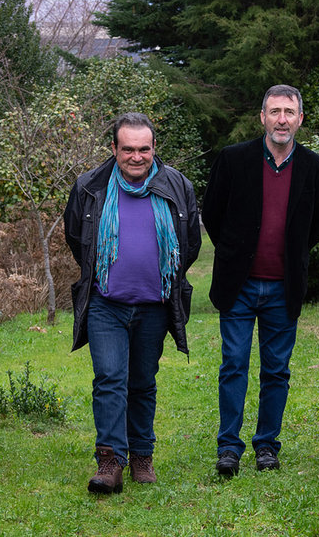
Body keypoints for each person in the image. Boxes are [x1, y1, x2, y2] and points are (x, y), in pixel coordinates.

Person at [64, 112, 201, 494]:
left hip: (154, 306)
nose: (137, 157)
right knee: (110, 378)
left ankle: (142, 455)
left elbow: (189, 243)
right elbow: (77, 237)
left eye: (144, 149)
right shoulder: (90, 185)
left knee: (142, 382)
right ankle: (110, 461)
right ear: (114, 149)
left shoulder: (177, 185)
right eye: (128, 149)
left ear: (154, 148)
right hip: (105, 304)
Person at [201, 85, 319, 475]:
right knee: (233, 365)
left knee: (276, 370)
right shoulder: (233, 159)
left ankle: (267, 447)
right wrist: (234, 251)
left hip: (283, 286)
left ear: (300, 119)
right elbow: (212, 214)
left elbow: (318, 225)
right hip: (238, 285)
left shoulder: (315, 167)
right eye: (274, 111)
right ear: (262, 117)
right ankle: (229, 447)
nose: (282, 119)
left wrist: (288, 256)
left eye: (289, 112)